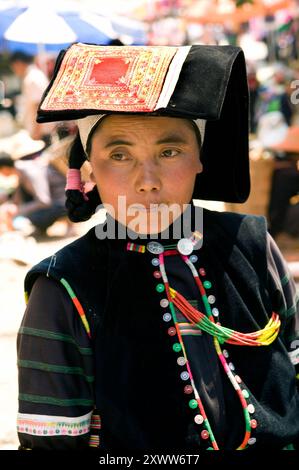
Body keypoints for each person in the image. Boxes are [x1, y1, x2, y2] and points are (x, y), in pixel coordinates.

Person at [17, 43, 299, 451]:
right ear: (90, 170)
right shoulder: (64, 286)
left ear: (200, 157)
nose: (147, 180)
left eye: (170, 151)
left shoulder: (253, 245)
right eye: (119, 154)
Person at [0, 131, 67, 235]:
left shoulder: (31, 171)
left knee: (30, 216)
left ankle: (65, 223)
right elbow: (17, 199)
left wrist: (19, 210)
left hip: (63, 203)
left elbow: (44, 201)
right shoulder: (21, 172)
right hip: (55, 202)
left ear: (4, 168)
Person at [10, 51, 55, 145]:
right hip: (40, 132)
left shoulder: (32, 77)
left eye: (13, 67)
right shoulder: (34, 75)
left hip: (41, 134)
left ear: (18, 63)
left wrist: (36, 133)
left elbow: (38, 105)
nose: (15, 71)